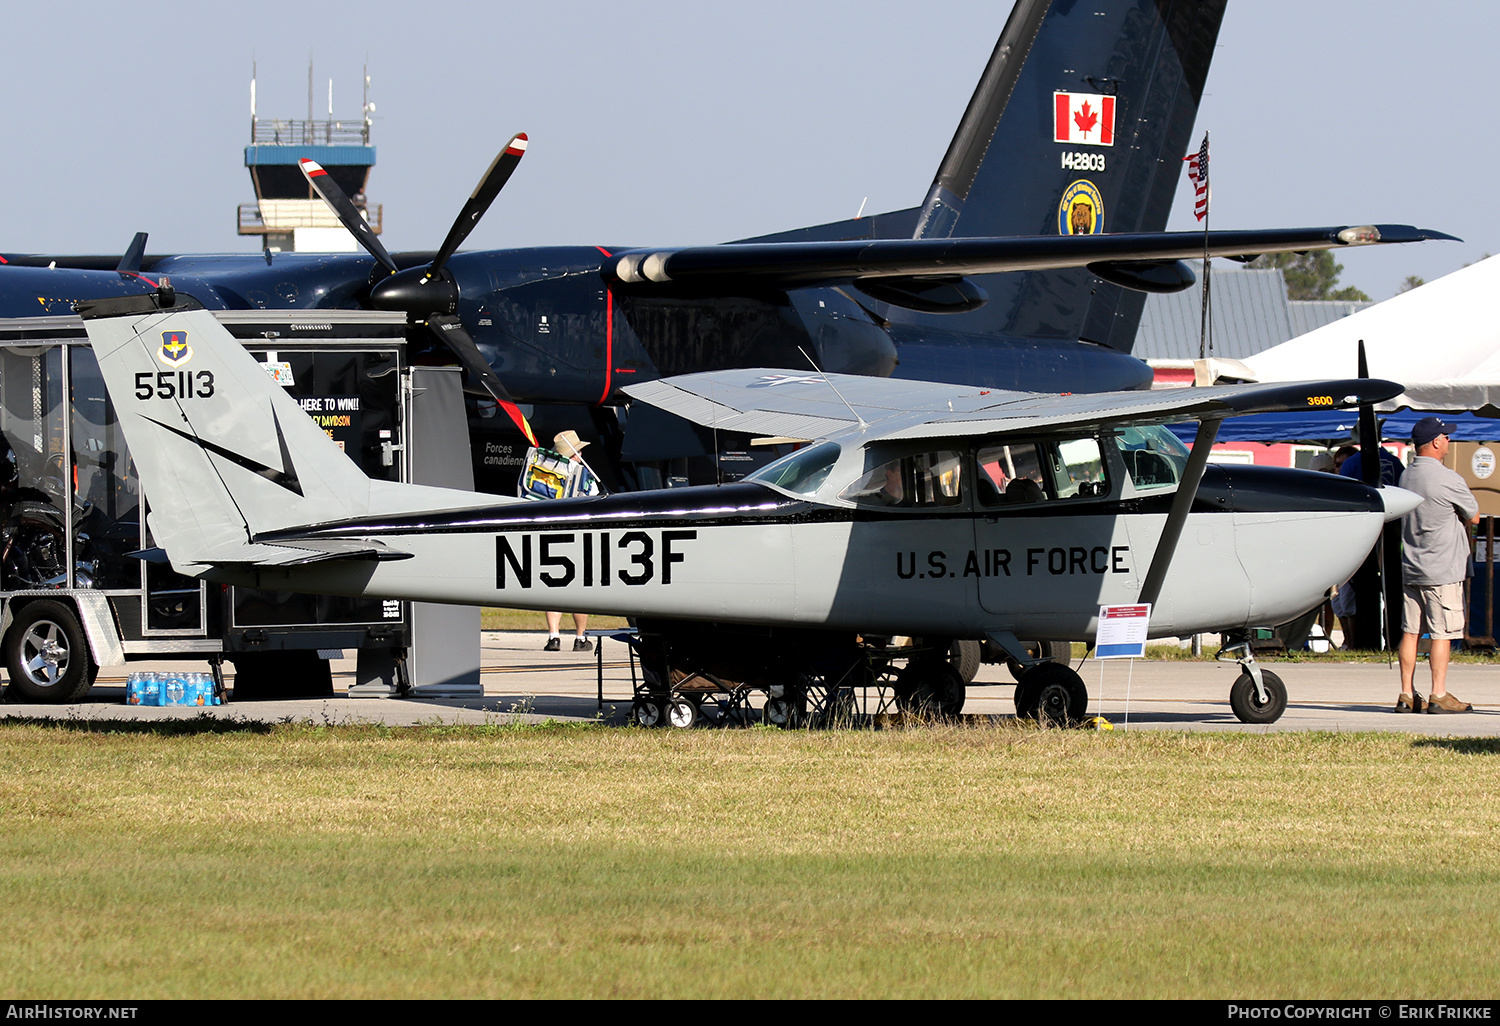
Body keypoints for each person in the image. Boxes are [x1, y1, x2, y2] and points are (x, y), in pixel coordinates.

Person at [1396, 417, 1481, 713]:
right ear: (1435, 442)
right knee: (1442, 633)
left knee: (1411, 631)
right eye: (1446, 437)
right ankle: (1439, 694)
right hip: (1442, 567)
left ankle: (1406, 693)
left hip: (1412, 565)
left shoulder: (1406, 476)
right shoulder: (1448, 478)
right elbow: (1474, 516)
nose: (1448, 442)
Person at [543, 430, 600, 652]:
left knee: (552, 587)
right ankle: (579, 638)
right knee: (578, 590)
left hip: (549, 535)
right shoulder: (583, 475)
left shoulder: (545, 472)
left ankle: (554, 636)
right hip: (576, 536)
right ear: (575, 454)